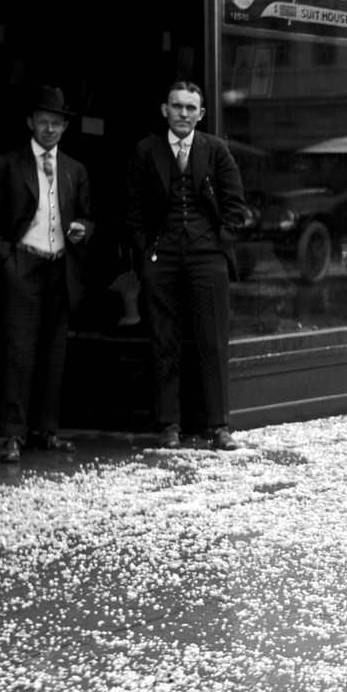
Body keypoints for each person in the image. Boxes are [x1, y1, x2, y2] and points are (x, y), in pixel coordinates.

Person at [124, 81, 246, 450]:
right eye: (177, 106)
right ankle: (169, 425)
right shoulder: (146, 151)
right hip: (161, 257)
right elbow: (131, 211)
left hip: (207, 257)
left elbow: (235, 207)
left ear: (201, 114)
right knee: (164, 341)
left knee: (212, 341)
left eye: (191, 108)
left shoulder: (216, 150)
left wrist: (219, 242)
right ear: (165, 110)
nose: (183, 114)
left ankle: (219, 425)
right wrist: (145, 253)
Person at [0, 86, 94, 464]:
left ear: (64, 127)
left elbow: (87, 217)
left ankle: (46, 431)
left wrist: (81, 228)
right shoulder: (7, 164)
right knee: (18, 352)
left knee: (53, 354)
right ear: (31, 123)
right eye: (44, 122)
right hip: (23, 265)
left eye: (57, 124)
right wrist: (8, 262)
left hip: (58, 266)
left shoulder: (74, 169)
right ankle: (13, 434)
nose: (50, 129)